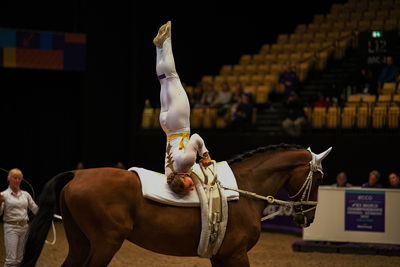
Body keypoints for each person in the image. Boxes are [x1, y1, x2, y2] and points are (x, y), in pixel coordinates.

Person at [154, 21, 212, 195]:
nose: (192, 186)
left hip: (178, 125)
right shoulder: (169, 175)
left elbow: (196, 138)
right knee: (163, 80)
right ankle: (158, 47)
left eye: (189, 186)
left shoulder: (185, 164)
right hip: (166, 126)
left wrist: (205, 156)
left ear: (183, 179)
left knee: (172, 77)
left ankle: (167, 39)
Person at [0, 168, 38, 267]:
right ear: (9, 178)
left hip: (25, 228)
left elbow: (34, 208)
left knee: (21, 258)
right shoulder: (4, 195)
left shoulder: (25, 194)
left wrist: (45, 214)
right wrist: (0, 202)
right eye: (15, 178)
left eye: (19, 178)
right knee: (11, 260)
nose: (17, 180)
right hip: (11, 228)